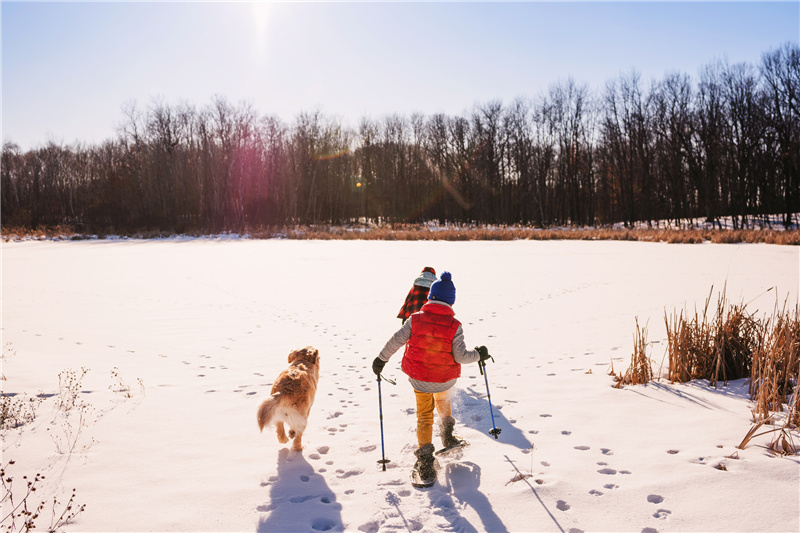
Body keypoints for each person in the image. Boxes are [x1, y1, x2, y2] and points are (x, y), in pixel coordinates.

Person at [372, 271, 492, 483]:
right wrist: (479, 354)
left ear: (430, 297)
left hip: (420, 379)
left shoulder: (415, 319)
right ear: (450, 302)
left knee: (424, 415)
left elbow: (396, 340)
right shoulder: (455, 325)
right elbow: (461, 356)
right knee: (443, 399)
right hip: (444, 378)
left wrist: (381, 359)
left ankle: (426, 461)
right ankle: (447, 435)